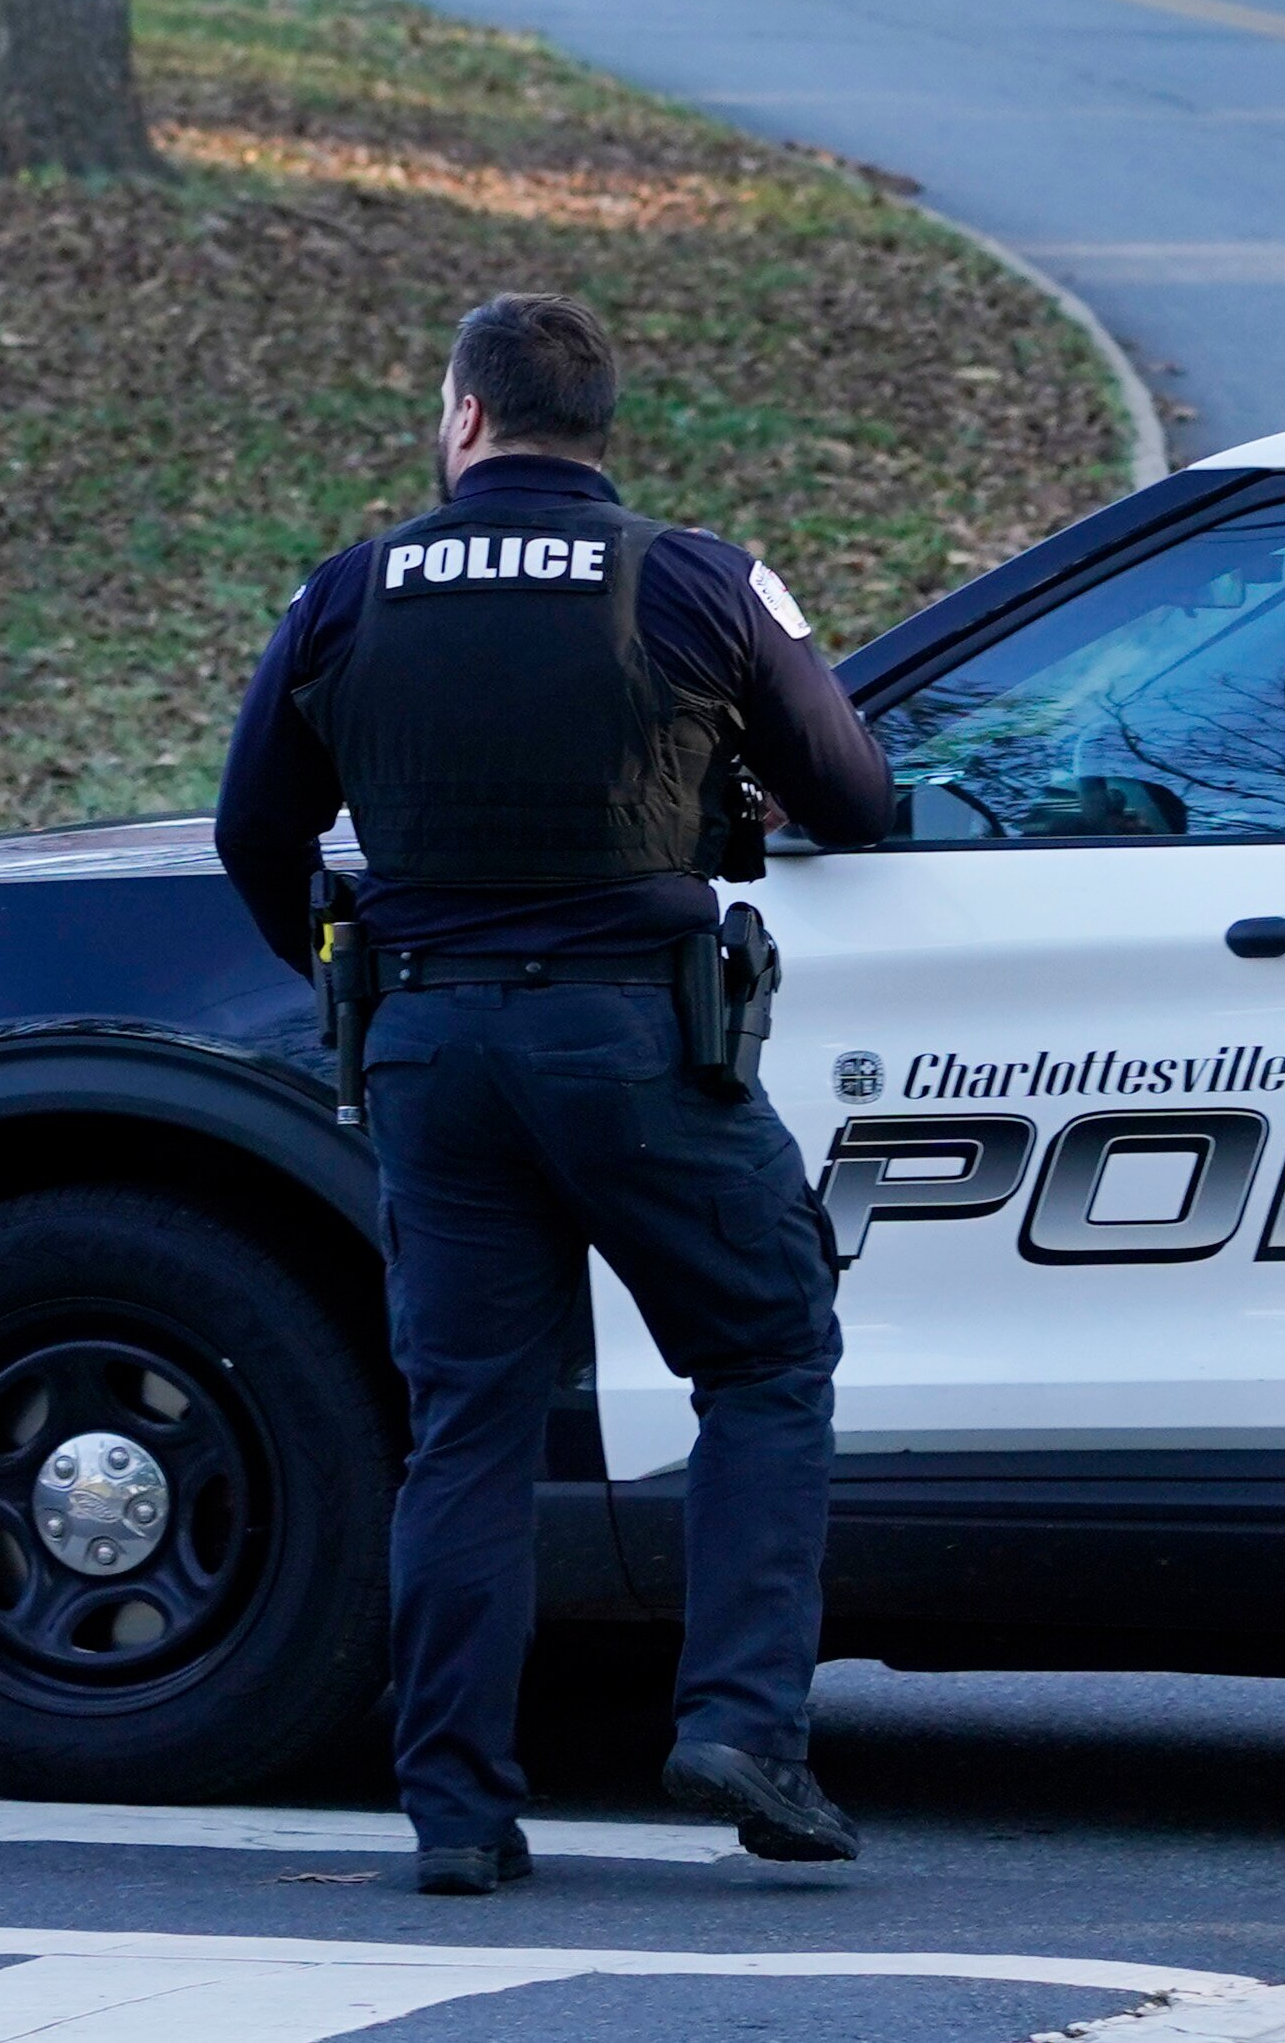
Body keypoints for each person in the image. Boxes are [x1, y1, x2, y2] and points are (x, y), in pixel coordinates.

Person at [213, 291, 894, 1888]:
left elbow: (255, 831)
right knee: (768, 1350)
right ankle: (741, 1723)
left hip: (431, 1054)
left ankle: (455, 1808)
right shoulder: (696, 579)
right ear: (601, 425)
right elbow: (851, 799)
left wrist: (347, 976)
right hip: (636, 1046)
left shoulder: (346, 592)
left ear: (463, 416)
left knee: (468, 1427)